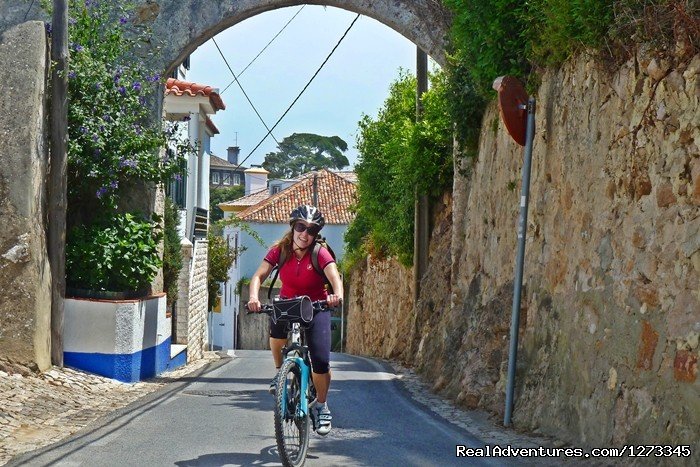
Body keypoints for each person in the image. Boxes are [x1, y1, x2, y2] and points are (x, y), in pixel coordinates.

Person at [247, 205, 343, 436]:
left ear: (316, 234)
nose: (305, 234)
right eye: (301, 227)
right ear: (293, 227)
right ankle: (280, 372)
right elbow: (258, 276)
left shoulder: (319, 252)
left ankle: (321, 405)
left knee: (320, 361)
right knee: (276, 332)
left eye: (311, 230)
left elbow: (334, 276)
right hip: (288, 304)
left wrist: (336, 295)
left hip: (316, 306)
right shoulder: (280, 250)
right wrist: (253, 297)